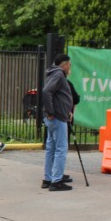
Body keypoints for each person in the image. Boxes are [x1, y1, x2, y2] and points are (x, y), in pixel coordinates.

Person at [41, 54, 73, 191]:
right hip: (57, 118)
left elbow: (54, 94)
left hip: (55, 117)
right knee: (61, 148)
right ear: (64, 64)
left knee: (51, 148)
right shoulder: (59, 74)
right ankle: (56, 181)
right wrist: (51, 112)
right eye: (69, 64)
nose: (70, 67)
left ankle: (48, 179)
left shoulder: (53, 73)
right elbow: (46, 92)